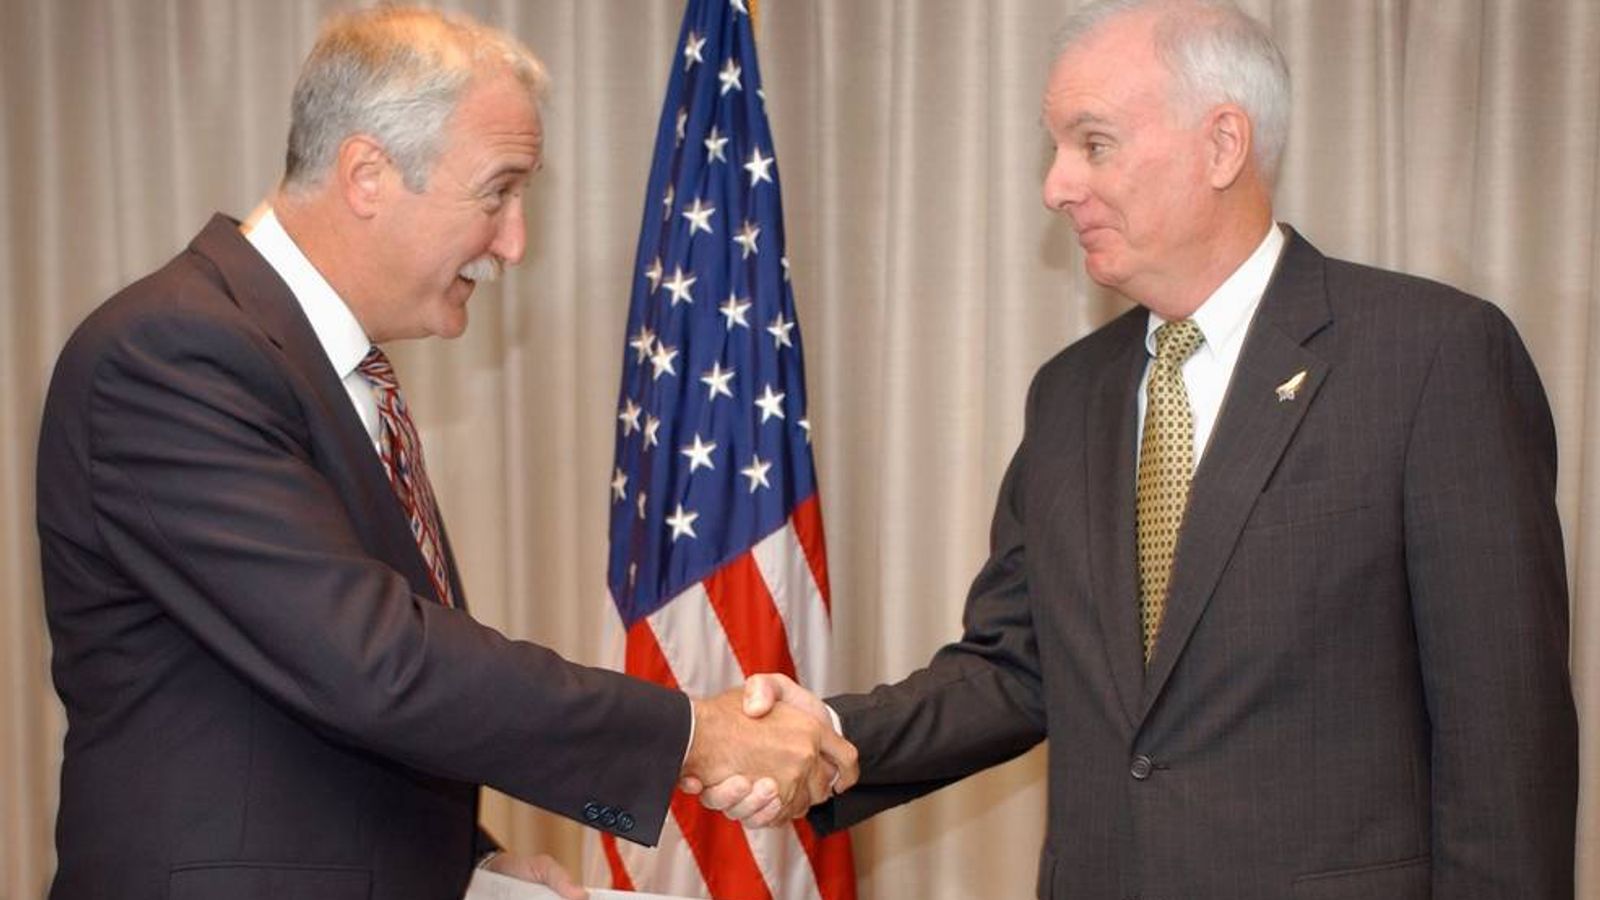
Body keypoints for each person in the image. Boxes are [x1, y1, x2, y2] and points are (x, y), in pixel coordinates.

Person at [693, 0, 1579, 897]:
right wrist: (835, 740)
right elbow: (1015, 667)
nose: (1056, 185)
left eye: (1094, 143)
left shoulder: (1430, 358)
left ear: (1223, 143)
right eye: (1056, 147)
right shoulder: (1072, 393)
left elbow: (1506, 741)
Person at [35, 7, 854, 900]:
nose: (514, 242)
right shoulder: (170, 355)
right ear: (367, 173)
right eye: (497, 192)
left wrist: (463, 855)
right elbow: (373, 659)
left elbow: (309, 688)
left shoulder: (333, 370)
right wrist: (696, 733)